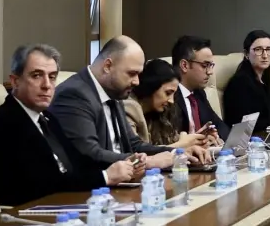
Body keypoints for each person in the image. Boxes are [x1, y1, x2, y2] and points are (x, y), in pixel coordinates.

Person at [0, 44, 136, 206]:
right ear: (15, 81)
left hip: (63, 203)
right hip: (32, 212)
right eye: (36, 76)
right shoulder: (6, 125)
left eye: (52, 77)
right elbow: (45, 185)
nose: (47, 85)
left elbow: (77, 163)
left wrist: (122, 167)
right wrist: (105, 177)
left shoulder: (46, 117)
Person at [50, 36, 198, 174]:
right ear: (108, 66)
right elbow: (89, 154)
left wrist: (177, 153)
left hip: (125, 181)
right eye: (132, 73)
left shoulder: (114, 92)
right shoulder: (73, 94)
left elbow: (134, 145)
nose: (137, 82)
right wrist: (149, 162)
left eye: (138, 74)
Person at [123, 59, 209, 150]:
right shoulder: (129, 108)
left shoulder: (161, 112)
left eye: (173, 94)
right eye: (168, 93)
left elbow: (174, 142)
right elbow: (136, 152)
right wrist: (182, 144)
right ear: (151, 86)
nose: (171, 101)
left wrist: (197, 140)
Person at [223, 30, 270, 134]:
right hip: (248, 140)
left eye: (268, 49)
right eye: (258, 50)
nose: (265, 55)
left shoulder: (266, 80)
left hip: (268, 135)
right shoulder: (239, 83)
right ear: (246, 54)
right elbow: (242, 124)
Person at [171, 35, 228, 142]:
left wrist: (220, 138)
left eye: (211, 65)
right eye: (205, 65)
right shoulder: (169, 95)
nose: (210, 72)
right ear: (184, 65)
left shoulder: (199, 93)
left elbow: (219, 126)